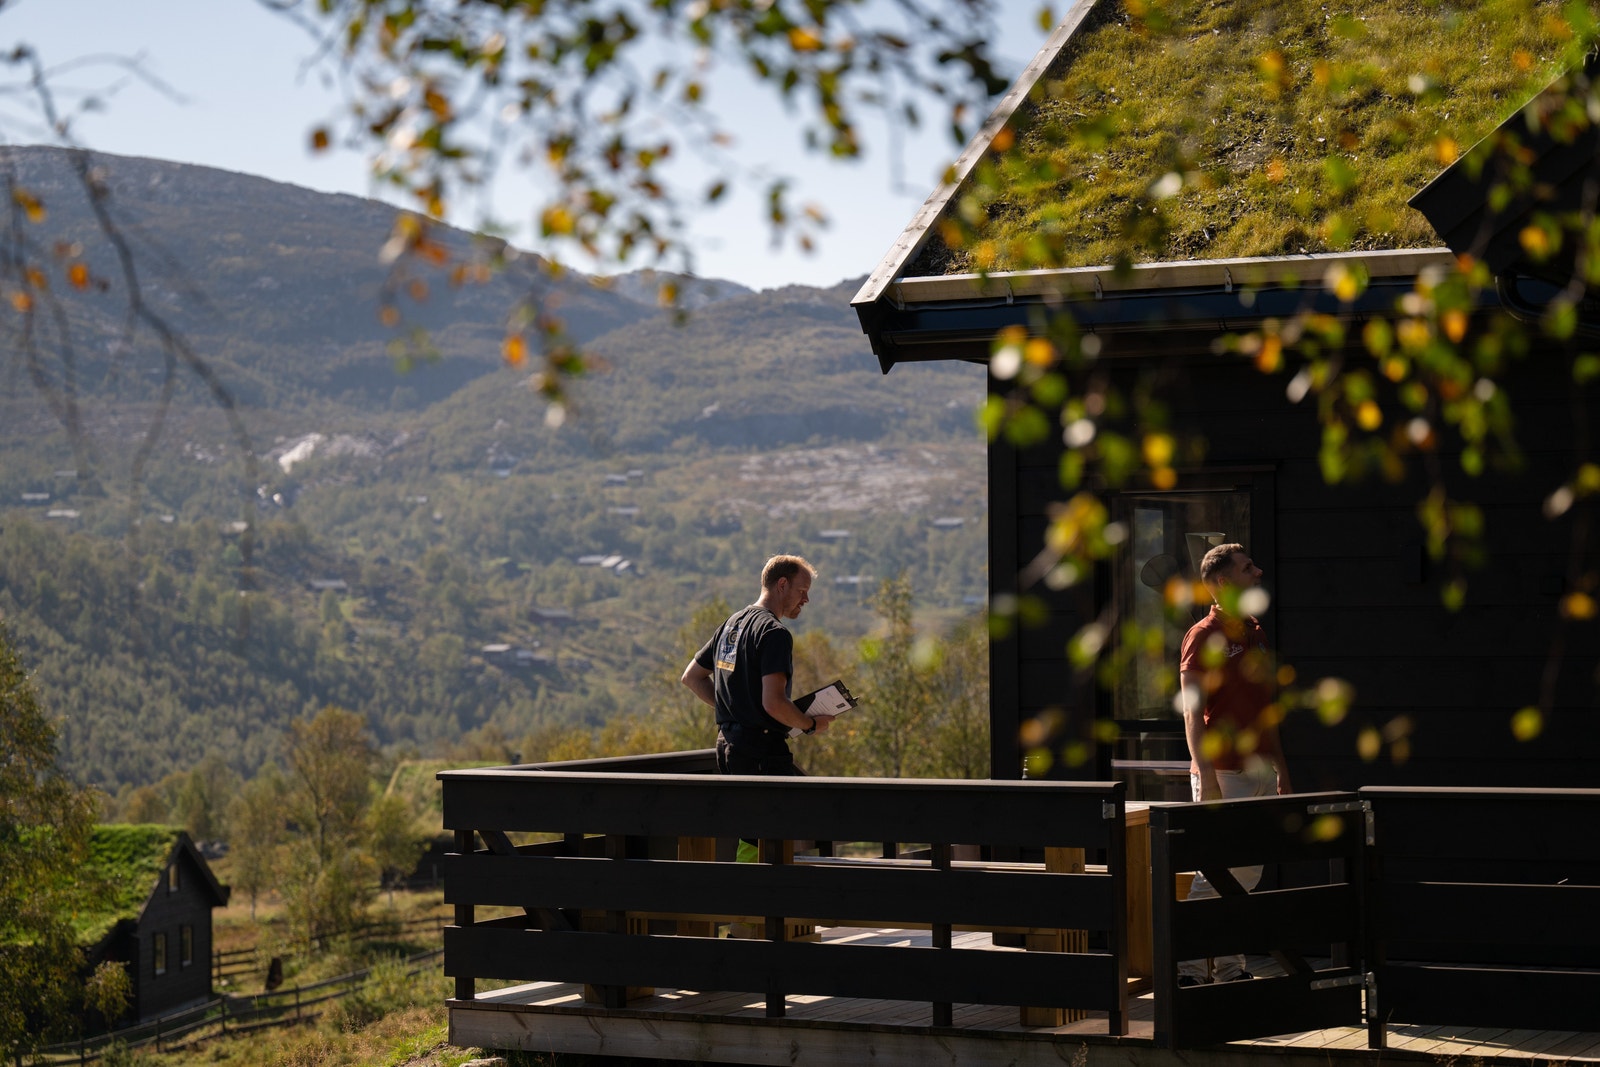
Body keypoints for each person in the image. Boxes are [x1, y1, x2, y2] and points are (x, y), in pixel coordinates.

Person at [1176, 542, 1292, 987]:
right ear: (1224, 582)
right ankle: (1186, 971)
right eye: (1248, 568)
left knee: (1247, 874)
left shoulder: (1255, 631)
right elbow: (1192, 714)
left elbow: (1267, 708)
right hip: (1222, 774)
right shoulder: (1202, 635)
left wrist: (1282, 769)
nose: (1258, 572)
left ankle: (1228, 970)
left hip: (1260, 771)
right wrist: (1206, 777)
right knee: (1216, 873)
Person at [682, 553, 836, 777]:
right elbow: (774, 703)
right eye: (802, 591)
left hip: (727, 746)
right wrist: (810, 725)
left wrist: (735, 712)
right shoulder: (774, 633)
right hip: (761, 752)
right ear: (782, 584)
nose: (806, 599)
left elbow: (691, 677)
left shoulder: (731, 625)